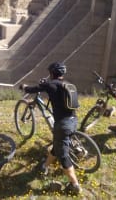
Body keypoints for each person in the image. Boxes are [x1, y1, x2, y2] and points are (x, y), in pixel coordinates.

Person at [20, 62, 82, 195]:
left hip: (62, 125)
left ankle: (75, 184)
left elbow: (32, 89)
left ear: (52, 73)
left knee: (63, 155)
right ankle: (44, 166)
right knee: (57, 144)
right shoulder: (68, 85)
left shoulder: (50, 84)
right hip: (73, 120)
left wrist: (24, 87)